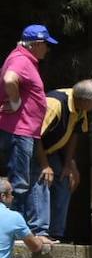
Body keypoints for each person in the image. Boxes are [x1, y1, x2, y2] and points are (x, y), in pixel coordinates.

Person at [1, 25, 56, 232]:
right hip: (19, 131)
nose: (48, 50)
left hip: (25, 131)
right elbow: (9, 79)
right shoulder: (21, 59)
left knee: (28, 178)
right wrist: (15, 103)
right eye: (46, 45)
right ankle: (15, 230)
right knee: (19, 183)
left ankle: (27, 229)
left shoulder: (25, 59)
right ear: (37, 44)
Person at [36, 78, 92, 240]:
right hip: (32, 148)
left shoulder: (80, 108)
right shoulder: (55, 104)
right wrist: (44, 165)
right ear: (85, 100)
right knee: (43, 180)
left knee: (64, 179)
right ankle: (38, 231)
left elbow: (74, 135)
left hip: (52, 151)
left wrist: (69, 165)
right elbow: (34, 135)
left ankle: (55, 233)